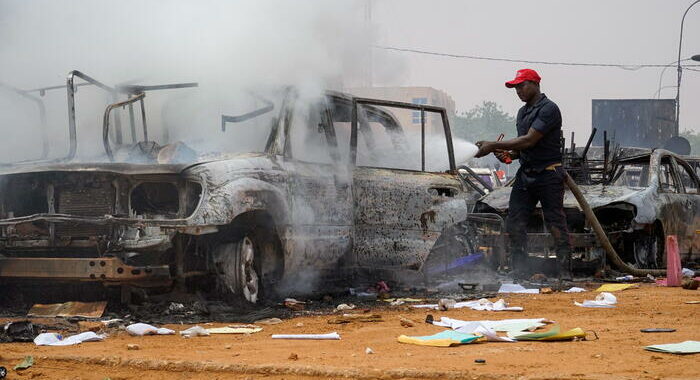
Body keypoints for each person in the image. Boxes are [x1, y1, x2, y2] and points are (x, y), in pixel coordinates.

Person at [474, 68, 572, 280]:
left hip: (548, 174)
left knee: (555, 223)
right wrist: (509, 154)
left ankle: (565, 273)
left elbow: (529, 140)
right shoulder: (522, 112)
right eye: (515, 87)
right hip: (526, 175)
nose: (518, 91)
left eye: (521, 85)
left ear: (535, 84)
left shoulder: (549, 109)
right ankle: (521, 270)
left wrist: (492, 145)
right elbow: (523, 148)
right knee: (515, 223)